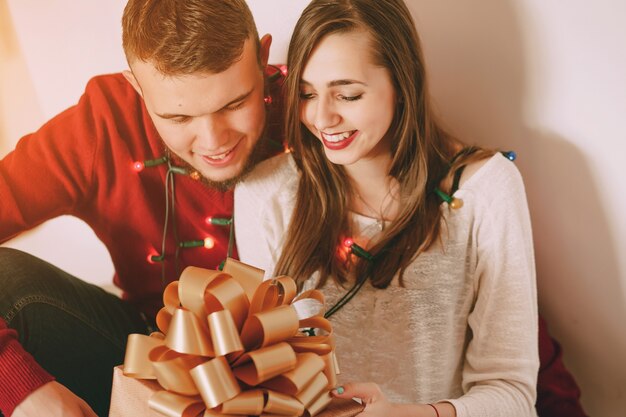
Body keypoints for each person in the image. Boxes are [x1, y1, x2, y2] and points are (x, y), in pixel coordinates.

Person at [234, 0, 563, 416]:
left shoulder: (486, 189)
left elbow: (512, 394)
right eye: (306, 93)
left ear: (401, 82)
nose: (321, 117)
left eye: (348, 94)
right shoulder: (265, 194)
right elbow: (268, 379)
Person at [0, 1, 286, 416]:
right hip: (151, 354)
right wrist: (21, 390)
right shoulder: (104, 122)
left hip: (283, 364)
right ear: (136, 87)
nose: (214, 141)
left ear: (263, 58)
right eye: (179, 117)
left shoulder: (319, 107)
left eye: (234, 104)